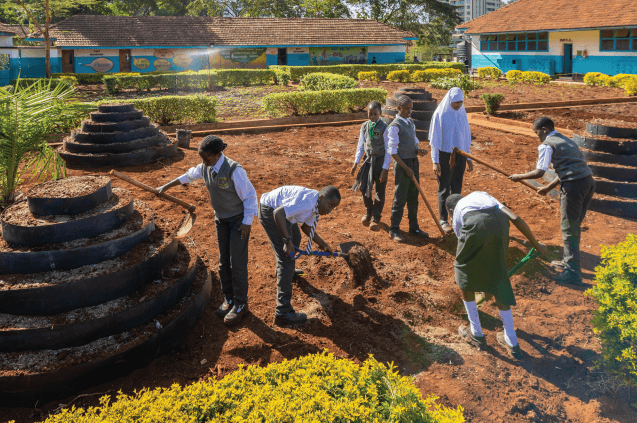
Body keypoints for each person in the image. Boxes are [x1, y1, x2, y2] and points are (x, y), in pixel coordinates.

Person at [158, 135, 258, 326]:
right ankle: (229, 299)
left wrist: (247, 221)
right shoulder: (206, 167)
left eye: (207, 158)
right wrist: (167, 186)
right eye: (201, 158)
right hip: (221, 220)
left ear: (218, 154)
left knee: (236, 263)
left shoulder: (234, 170)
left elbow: (250, 196)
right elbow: (189, 175)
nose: (203, 162)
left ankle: (241, 304)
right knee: (223, 263)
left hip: (238, 221)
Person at [446, 192, 549, 359]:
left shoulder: (457, 210)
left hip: (476, 224)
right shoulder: (483, 196)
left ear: (450, 210)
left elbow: (469, 254)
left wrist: (482, 286)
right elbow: (515, 219)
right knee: (499, 275)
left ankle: (476, 333)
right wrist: (536, 244)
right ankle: (511, 340)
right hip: (501, 224)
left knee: (462, 271)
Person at [509, 117, 595, 285]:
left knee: (569, 228)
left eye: (536, 132)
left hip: (574, 187)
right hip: (588, 182)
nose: (536, 136)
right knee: (574, 225)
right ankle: (569, 261)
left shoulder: (547, 145)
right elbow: (568, 169)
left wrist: (519, 176)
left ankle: (572, 274)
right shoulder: (566, 140)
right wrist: (548, 188)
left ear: (545, 129)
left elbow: (540, 172)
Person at [258, 185, 341, 326]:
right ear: (321, 198)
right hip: (270, 210)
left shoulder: (315, 206)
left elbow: (306, 227)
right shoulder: (308, 202)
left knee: (295, 237)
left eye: (333, 207)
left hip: (281, 212)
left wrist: (323, 244)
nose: (330, 210)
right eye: (330, 205)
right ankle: (282, 312)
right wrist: (286, 241)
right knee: (287, 257)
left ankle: (286, 273)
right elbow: (278, 214)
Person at [428, 87, 474, 234]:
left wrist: (468, 157)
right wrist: (435, 161)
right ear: (450, 100)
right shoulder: (440, 114)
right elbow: (434, 140)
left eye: (461, 102)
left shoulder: (462, 113)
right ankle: (443, 219)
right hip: (444, 156)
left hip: (460, 155)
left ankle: (456, 217)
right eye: (456, 102)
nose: (459, 105)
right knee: (444, 187)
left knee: (457, 186)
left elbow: (466, 136)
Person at [388, 95, 429, 242]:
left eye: (411, 109)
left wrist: (418, 150)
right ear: (398, 108)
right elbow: (393, 151)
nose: (409, 111)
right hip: (402, 165)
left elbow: (413, 141)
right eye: (406, 109)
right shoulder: (394, 126)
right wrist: (406, 168)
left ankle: (414, 227)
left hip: (413, 162)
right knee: (400, 197)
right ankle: (394, 229)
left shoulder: (410, 122)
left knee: (413, 195)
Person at [351, 101, 391, 230]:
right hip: (367, 161)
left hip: (380, 162)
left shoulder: (385, 128)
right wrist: (356, 162)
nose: (372, 116)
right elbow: (361, 145)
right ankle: (369, 211)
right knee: (364, 188)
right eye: (370, 113)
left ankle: (376, 217)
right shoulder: (364, 126)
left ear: (380, 113)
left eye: (375, 113)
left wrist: (385, 168)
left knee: (379, 190)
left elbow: (388, 149)